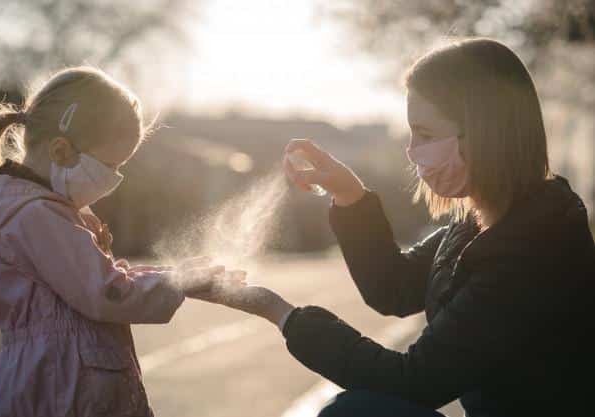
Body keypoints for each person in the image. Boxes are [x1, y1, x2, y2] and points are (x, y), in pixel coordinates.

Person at [191, 38, 595, 416]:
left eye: (425, 134)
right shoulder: (479, 223)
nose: (412, 150)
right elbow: (395, 288)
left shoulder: (535, 246)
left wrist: (277, 312)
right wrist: (350, 195)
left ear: (485, 132)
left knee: (356, 412)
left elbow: (415, 381)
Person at [0, 67, 238, 417]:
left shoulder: (44, 212)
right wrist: (178, 282)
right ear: (61, 151)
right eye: (110, 164)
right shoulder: (39, 218)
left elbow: (99, 279)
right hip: (61, 391)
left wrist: (174, 274)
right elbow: (105, 292)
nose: (114, 178)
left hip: (58, 383)